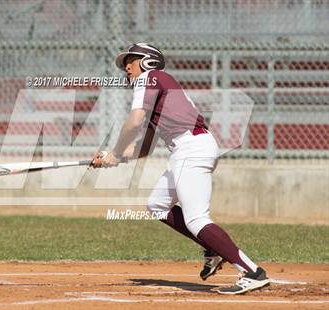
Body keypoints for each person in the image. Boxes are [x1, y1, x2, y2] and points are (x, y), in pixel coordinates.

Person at [92, 43, 270, 295]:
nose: (127, 68)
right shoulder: (158, 92)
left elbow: (134, 121)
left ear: (148, 61)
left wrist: (115, 152)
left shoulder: (150, 78)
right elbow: (144, 149)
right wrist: (112, 157)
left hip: (191, 149)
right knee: (157, 206)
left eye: (130, 61)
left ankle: (252, 272)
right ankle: (214, 248)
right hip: (187, 149)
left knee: (196, 218)